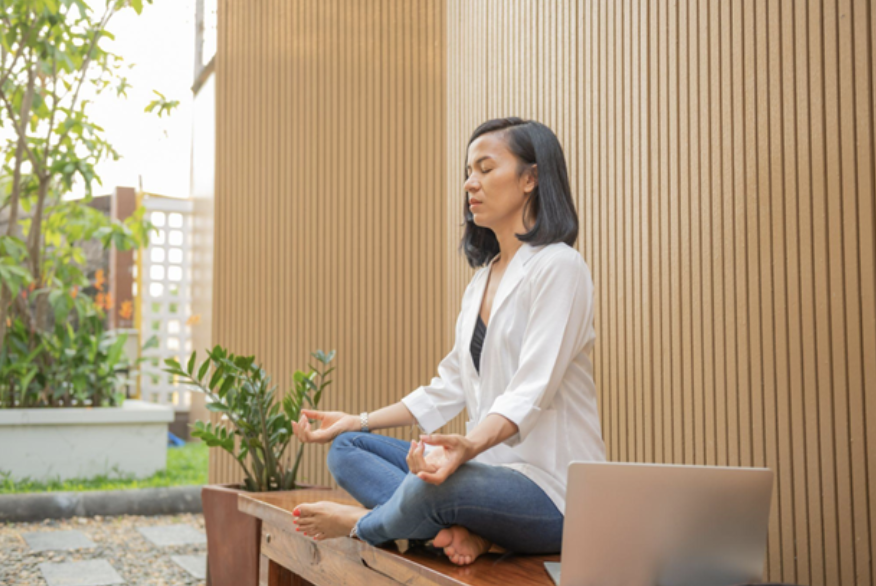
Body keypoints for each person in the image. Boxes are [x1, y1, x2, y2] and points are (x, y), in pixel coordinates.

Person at [290, 117, 606, 566]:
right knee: (349, 450)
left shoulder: (560, 267)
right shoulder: (481, 281)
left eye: (485, 168)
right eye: (468, 171)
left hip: (552, 492)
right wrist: (355, 421)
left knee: (437, 483)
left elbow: (531, 390)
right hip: (487, 474)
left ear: (531, 178)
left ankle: (366, 523)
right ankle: (475, 534)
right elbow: (449, 386)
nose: (469, 183)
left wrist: (467, 448)